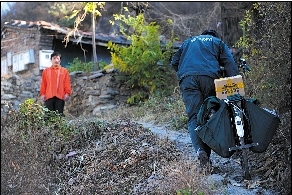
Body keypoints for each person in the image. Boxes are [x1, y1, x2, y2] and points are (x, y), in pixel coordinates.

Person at [170, 29, 239, 166]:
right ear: (214, 36)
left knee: (194, 117)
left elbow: (174, 62)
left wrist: (183, 74)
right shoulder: (217, 42)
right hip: (210, 77)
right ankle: (211, 149)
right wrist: (234, 85)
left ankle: (201, 151)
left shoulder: (188, 42)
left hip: (187, 79)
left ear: (201, 35)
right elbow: (229, 63)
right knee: (211, 113)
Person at [40, 51, 71, 116]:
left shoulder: (64, 71)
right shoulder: (46, 71)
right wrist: (42, 94)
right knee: (48, 117)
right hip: (49, 96)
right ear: (51, 60)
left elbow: (67, 83)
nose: (56, 60)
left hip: (60, 96)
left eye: (58, 58)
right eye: (54, 58)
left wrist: (67, 93)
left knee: (59, 116)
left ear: (60, 61)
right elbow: (43, 83)